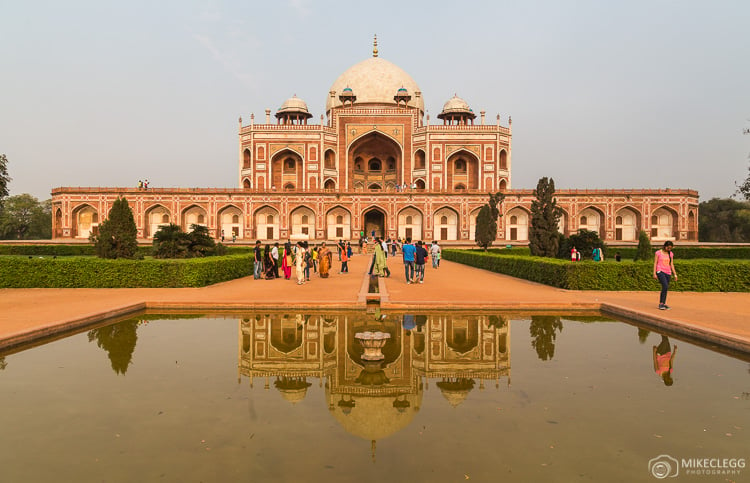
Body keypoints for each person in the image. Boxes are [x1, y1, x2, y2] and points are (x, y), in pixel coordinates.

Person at [653, 240, 678, 310]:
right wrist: (654, 273)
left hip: (668, 272)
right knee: (665, 285)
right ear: (665, 246)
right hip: (660, 271)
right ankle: (661, 303)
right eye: (668, 248)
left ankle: (663, 303)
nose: (669, 249)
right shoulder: (658, 253)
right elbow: (655, 263)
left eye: (670, 248)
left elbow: (671, 264)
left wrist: (675, 274)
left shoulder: (670, 254)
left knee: (665, 288)